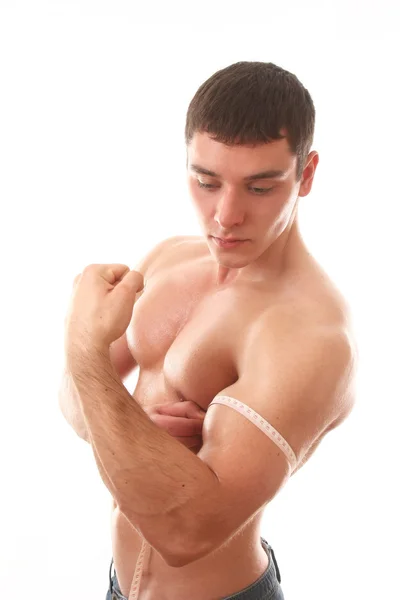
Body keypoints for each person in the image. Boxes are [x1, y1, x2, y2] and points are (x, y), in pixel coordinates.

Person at [59, 61, 357, 600]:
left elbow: (186, 531)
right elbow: (74, 402)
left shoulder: (310, 335)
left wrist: (83, 350)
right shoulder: (170, 258)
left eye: (260, 187)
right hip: (116, 587)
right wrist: (134, 429)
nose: (226, 215)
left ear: (306, 175)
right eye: (206, 181)